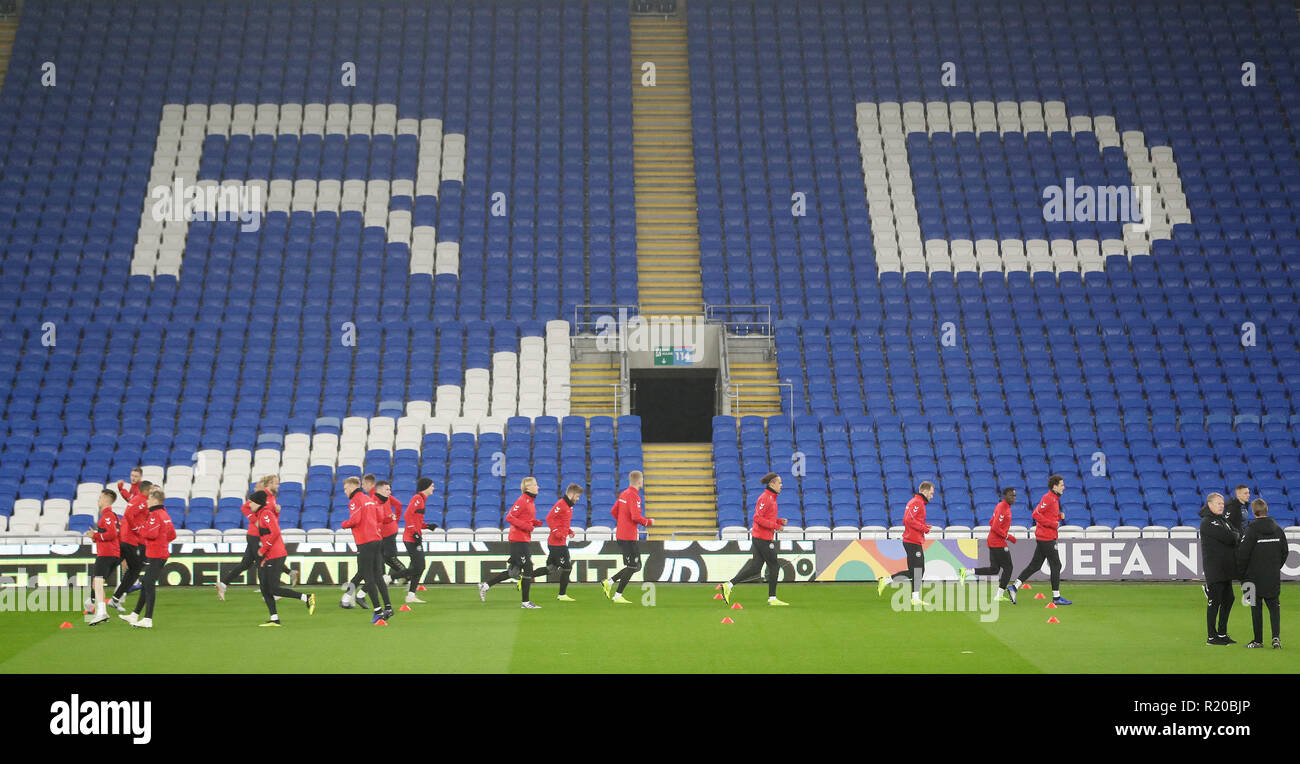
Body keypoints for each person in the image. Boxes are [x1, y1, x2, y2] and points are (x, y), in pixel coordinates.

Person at [248, 490, 315, 626]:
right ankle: (274, 619)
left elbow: (276, 532)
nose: (249, 504)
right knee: (264, 588)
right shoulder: (262, 514)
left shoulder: (265, 514)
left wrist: (263, 549)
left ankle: (307, 598)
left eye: (251, 501)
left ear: (257, 502)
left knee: (273, 589)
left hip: (276, 555)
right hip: (271, 556)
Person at [722, 472, 789, 606]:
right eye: (779, 483)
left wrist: (779, 521)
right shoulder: (766, 498)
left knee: (755, 568)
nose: (781, 485)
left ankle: (728, 585)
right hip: (763, 538)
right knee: (774, 566)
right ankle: (772, 598)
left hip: (760, 537)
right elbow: (757, 518)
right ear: (772, 484)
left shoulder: (771, 498)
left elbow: (766, 517)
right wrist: (776, 526)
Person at [478, 477, 545, 609]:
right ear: (527, 488)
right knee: (528, 568)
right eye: (536, 485)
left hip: (523, 539)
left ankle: (485, 585)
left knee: (513, 572)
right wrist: (527, 526)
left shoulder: (530, 502)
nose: (538, 487)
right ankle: (525, 602)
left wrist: (533, 522)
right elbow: (510, 517)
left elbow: (523, 519)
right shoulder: (523, 500)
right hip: (518, 540)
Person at [1009, 475, 1072, 606]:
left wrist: (1058, 517)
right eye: (1061, 485)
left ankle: (1014, 587)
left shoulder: (1054, 499)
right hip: (1046, 538)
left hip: (1045, 537)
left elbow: (1049, 515)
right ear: (1055, 487)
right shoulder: (1048, 498)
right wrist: (1052, 524)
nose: (1063, 487)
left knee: (1035, 565)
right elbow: (1036, 514)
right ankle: (1056, 597)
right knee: (1056, 565)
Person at [119, 489, 175, 629]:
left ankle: (148, 619)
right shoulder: (165, 514)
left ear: (155, 500)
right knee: (146, 584)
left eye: (149, 499)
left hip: (156, 554)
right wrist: (162, 541)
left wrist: (142, 530)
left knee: (148, 585)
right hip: (159, 553)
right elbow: (172, 535)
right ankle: (135, 614)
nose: (147, 502)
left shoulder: (155, 515)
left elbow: (151, 533)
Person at [340, 476, 392, 623]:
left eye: (345, 488)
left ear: (351, 486)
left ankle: (377, 611)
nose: (345, 492)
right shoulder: (369, 499)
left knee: (366, 576)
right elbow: (380, 517)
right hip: (376, 539)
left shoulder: (355, 500)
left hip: (364, 541)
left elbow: (355, 520)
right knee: (376, 575)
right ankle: (388, 607)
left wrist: (344, 524)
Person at [1236, 498, 1285, 649]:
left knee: (1255, 608)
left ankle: (1258, 640)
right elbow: (1285, 552)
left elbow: (1242, 555)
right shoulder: (1278, 529)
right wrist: (1275, 567)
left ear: (1253, 511)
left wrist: (1242, 576)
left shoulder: (1251, 530)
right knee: (1274, 607)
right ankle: (1276, 638)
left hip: (1253, 577)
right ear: (1266, 510)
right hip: (1272, 576)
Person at [602, 471, 653, 604]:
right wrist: (649, 522)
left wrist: (623, 523)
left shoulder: (623, 494)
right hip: (628, 537)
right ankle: (618, 595)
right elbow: (635, 517)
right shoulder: (634, 496)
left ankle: (610, 582)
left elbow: (614, 511)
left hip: (622, 535)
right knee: (632, 566)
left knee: (636, 566)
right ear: (639, 481)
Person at [882, 481, 936, 606]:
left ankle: (887, 581)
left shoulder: (918, 502)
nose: (932, 496)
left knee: (916, 571)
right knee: (917, 570)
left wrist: (923, 525)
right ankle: (913, 597)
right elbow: (907, 520)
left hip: (913, 540)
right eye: (931, 493)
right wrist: (924, 529)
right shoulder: (917, 502)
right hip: (912, 541)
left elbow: (912, 519)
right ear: (925, 491)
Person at [216, 477, 270, 600]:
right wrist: (255, 520)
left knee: (246, 564)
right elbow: (245, 507)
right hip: (256, 535)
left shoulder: (269, 498)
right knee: (262, 562)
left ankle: (223, 583)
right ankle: (267, 593)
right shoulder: (259, 498)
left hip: (256, 535)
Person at [527, 483, 582, 602]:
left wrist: (569, 531)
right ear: (571, 494)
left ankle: (525, 577)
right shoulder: (561, 504)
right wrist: (556, 532)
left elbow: (562, 522)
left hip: (558, 542)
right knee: (567, 567)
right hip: (557, 543)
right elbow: (549, 518)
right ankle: (562, 595)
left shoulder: (568, 506)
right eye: (577, 496)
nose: (578, 499)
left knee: (551, 568)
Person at [106, 479, 153, 611]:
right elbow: (128, 514)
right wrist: (135, 529)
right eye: (151, 489)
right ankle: (112, 598)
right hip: (129, 540)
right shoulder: (141, 500)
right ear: (146, 490)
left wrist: (121, 489)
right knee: (135, 568)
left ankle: (111, 598)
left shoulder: (139, 500)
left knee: (118, 566)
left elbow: (129, 502)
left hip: (128, 539)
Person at [966, 488, 1018, 602]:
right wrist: (1008, 536)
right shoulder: (1003, 507)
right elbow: (994, 526)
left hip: (994, 541)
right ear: (1004, 496)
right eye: (1010, 495)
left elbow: (991, 522)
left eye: (1014, 496)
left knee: (994, 569)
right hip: (997, 542)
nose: (1013, 498)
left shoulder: (1001, 506)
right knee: (1008, 568)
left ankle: (968, 572)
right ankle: (999, 596)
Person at [1199, 492, 1238, 645]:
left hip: (1226, 567)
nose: (1222, 506)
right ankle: (1211, 636)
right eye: (1218, 503)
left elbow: (1236, 534)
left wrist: (1233, 536)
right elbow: (1230, 537)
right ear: (1210, 504)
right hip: (1215, 567)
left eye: (1222, 504)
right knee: (1214, 601)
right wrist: (1232, 536)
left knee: (1229, 599)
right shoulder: (1207, 522)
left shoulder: (1222, 520)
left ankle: (1222, 633)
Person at [84, 489, 121, 626]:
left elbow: (111, 534)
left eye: (100, 497)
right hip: (112, 553)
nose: (98, 500)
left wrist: (95, 536)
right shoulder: (113, 516)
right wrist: (96, 537)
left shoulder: (107, 516)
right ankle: (101, 611)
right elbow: (109, 534)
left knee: (98, 583)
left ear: (106, 499)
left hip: (106, 553)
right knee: (96, 583)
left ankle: (101, 613)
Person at [401, 477, 437, 603]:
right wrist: (414, 533)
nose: (433, 488)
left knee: (419, 566)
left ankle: (411, 595)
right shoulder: (417, 498)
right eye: (432, 486)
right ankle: (389, 577)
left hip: (414, 536)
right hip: (411, 538)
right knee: (420, 566)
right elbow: (407, 515)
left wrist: (427, 526)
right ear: (426, 486)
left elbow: (416, 520)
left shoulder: (421, 499)